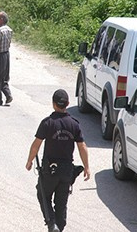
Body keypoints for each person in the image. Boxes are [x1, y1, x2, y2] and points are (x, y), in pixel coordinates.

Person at [25, 89, 91, 232]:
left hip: (50, 170)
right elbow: (82, 146)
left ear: (54, 104)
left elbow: (36, 144)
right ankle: (58, 228)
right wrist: (87, 167)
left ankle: (51, 223)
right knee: (61, 204)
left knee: (42, 194)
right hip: (67, 171)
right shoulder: (74, 124)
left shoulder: (47, 123)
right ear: (67, 104)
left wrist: (30, 161)